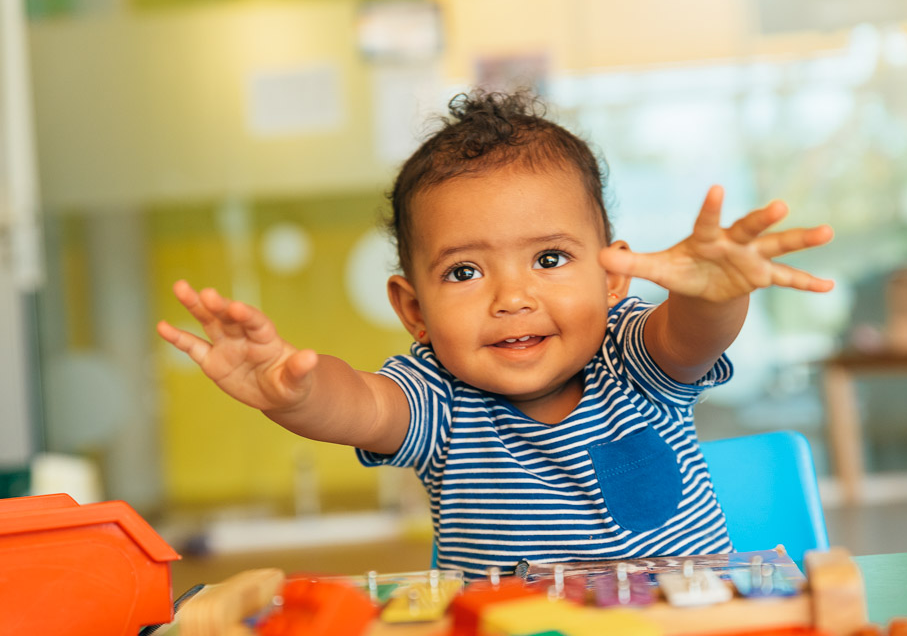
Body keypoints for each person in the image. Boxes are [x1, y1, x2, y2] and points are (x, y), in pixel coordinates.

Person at [157, 90, 834, 577]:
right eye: (465, 272)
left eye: (549, 259)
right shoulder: (437, 397)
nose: (512, 298)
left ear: (611, 277)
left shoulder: (629, 356)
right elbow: (360, 406)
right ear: (414, 311)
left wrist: (714, 294)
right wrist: (296, 394)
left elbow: (691, 338)